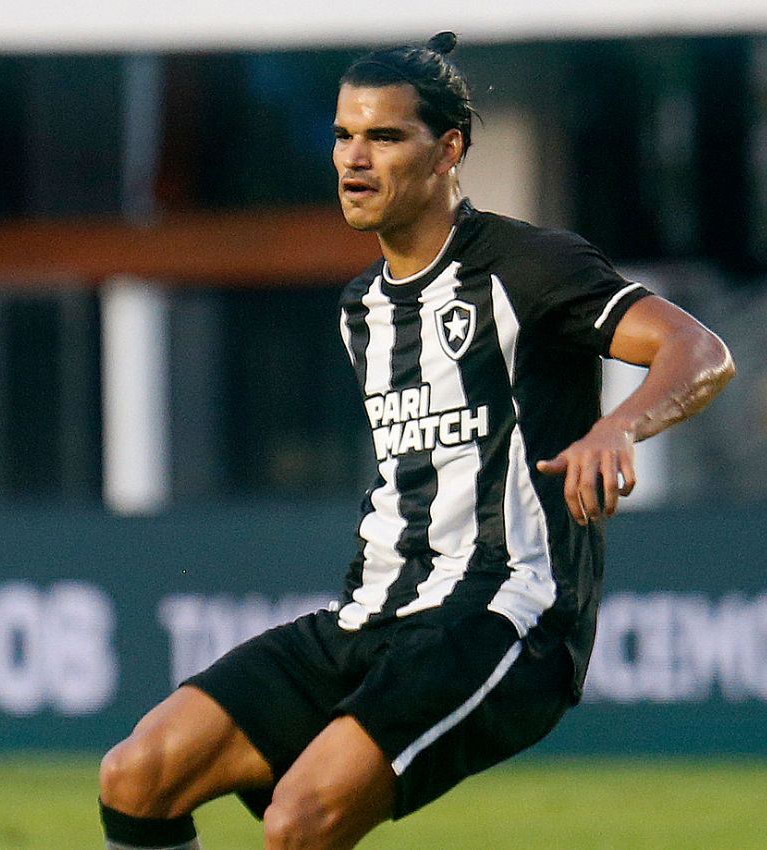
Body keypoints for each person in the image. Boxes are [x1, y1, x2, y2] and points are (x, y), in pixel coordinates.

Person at [97, 31, 735, 850]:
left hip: (503, 611)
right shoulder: (361, 306)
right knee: (138, 774)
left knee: (302, 821)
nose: (354, 159)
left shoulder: (529, 265)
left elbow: (699, 351)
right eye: (343, 135)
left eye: (385, 136)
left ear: (448, 151)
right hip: (372, 614)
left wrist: (619, 425)